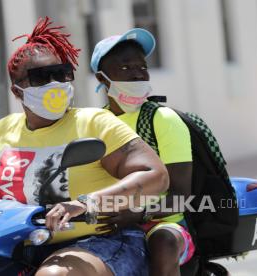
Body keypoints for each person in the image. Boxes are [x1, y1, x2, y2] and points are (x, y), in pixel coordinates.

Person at [0, 17, 169, 276]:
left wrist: (86, 203)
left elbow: (156, 176)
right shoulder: (3, 129)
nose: (55, 83)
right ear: (17, 91)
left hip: (102, 242)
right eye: (41, 77)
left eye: (62, 73)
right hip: (22, 248)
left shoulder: (94, 122)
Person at [90, 29, 195, 276]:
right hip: (112, 222)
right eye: (125, 68)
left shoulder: (162, 119)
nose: (138, 73)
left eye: (142, 66)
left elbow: (183, 197)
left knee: (163, 243)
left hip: (164, 224)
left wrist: (138, 214)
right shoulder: (94, 123)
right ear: (102, 78)